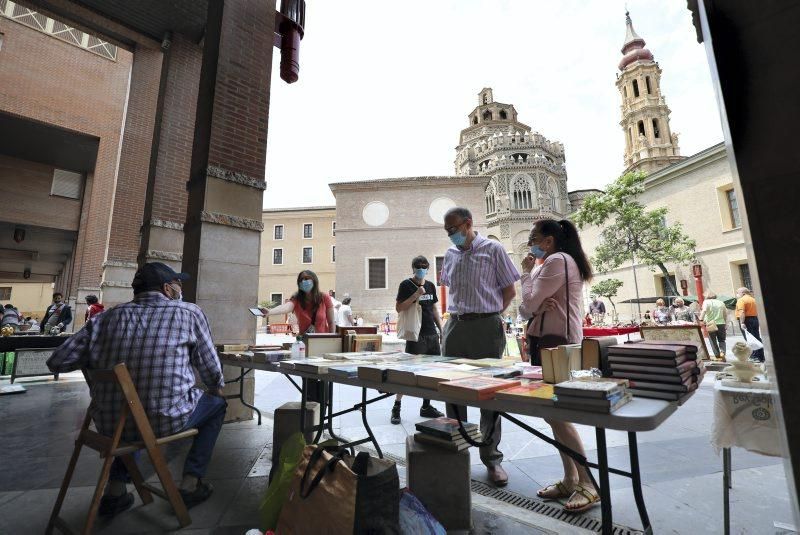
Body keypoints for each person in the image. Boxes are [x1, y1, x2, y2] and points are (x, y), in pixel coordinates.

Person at [46, 262, 226, 515]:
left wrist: (96, 362)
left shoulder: (104, 319)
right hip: (164, 419)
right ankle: (190, 483)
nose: (180, 290)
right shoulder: (188, 313)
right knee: (217, 405)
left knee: (130, 409)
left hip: (110, 425)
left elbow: (57, 361)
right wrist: (216, 387)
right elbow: (211, 370)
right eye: (178, 285)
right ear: (167, 288)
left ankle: (116, 490)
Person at [518, 218, 600, 513]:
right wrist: (535, 303)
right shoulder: (556, 262)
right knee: (553, 415)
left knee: (560, 415)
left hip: (558, 346)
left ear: (549, 240)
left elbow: (526, 306)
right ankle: (569, 478)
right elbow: (528, 308)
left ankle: (589, 483)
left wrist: (526, 275)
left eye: (533, 238)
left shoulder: (556, 261)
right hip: (550, 344)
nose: (530, 245)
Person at [439, 207, 520, 487]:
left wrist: (493, 314)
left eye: (453, 229)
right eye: (447, 231)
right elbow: (449, 290)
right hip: (456, 328)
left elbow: (510, 290)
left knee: (489, 395)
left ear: (468, 224)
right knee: (452, 392)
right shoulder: (450, 255)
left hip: (486, 327)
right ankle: (457, 455)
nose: (451, 235)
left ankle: (492, 459)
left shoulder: (494, 249)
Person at [392, 255, 445, 424]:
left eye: (424, 266)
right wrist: (415, 294)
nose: (422, 269)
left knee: (430, 373)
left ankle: (426, 406)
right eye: (419, 266)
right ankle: (396, 406)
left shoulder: (430, 285)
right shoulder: (406, 285)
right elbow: (399, 308)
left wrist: (441, 328)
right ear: (413, 268)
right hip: (416, 335)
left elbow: (434, 308)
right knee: (409, 372)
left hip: (431, 334)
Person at [260, 270, 336, 334]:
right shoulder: (296, 298)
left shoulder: (324, 297)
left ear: (314, 280)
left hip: (323, 341)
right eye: (301, 280)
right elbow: (285, 307)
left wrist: (332, 339)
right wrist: (269, 312)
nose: (303, 281)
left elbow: (331, 322)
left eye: (306, 278)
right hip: (305, 343)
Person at [736, 287, 764, 362]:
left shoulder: (741, 300)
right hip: (754, 319)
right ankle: (761, 356)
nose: (737, 295)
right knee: (756, 337)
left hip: (746, 320)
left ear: (743, 293)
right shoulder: (753, 299)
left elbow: (742, 312)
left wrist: (742, 322)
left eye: (737, 293)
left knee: (749, 339)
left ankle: (754, 356)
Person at [699, 290, 728, 360]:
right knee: (722, 340)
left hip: (710, 323)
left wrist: (700, 320)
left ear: (707, 296)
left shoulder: (706, 302)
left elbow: (704, 311)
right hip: (721, 323)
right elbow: (725, 314)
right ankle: (722, 352)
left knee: (713, 340)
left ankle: (717, 355)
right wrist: (725, 323)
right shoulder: (721, 302)